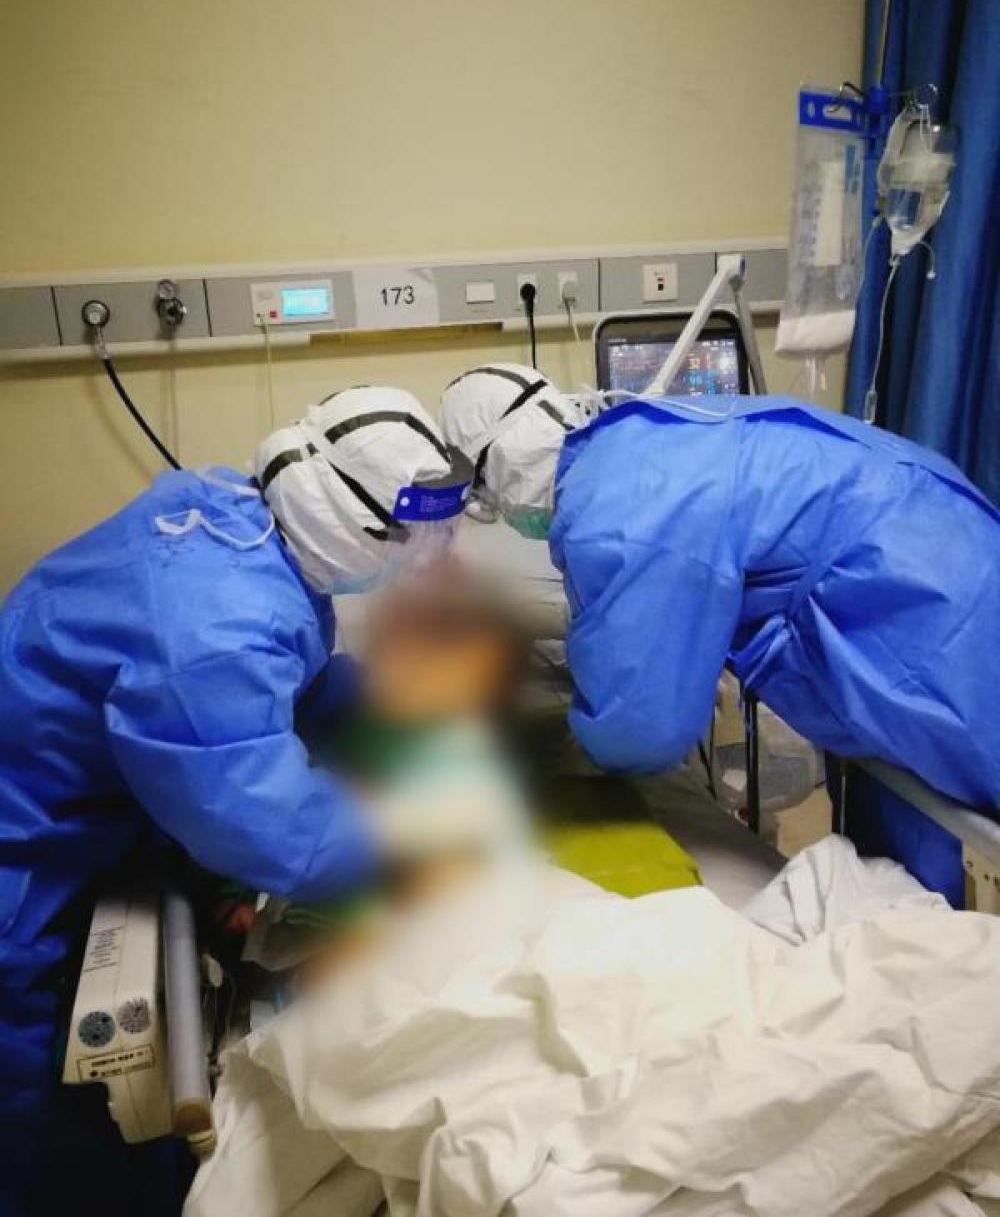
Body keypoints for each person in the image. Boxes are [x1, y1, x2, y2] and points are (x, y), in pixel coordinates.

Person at [0, 385, 472, 1212]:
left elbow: (291, 675)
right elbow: (282, 837)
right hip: (26, 847)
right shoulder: (209, 635)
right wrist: (412, 831)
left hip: (88, 788)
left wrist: (383, 716)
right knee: (44, 1104)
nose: (423, 558)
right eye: (411, 539)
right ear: (344, 523)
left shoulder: (235, 515)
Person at [440, 365, 1000, 896]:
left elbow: (639, 730)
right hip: (934, 530)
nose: (496, 511)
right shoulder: (632, 443)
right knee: (921, 835)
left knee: (965, 792)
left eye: (484, 495)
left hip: (925, 607)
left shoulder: (611, 512)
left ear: (500, 463)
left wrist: (557, 748)